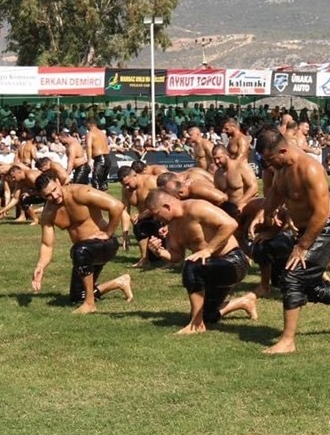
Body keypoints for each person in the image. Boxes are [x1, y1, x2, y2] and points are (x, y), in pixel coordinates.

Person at [255, 129, 330, 355]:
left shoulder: (310, 168)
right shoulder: (281, 169)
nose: (269, 165)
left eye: (270, 159)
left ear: (282, 150)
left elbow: (320, 214)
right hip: (304, 231)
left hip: (325, 231)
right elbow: (275, 197)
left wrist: (302, 246)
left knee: (292, 276)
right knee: (312, 286)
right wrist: (263, 218)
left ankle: (287, 341)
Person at [144, 188, 258, 334]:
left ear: (167, 206)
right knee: (208, 315)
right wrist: (159, 251)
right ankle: (244, 301)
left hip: (233, 262)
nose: (155, 219)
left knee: (191, 265)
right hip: (208, 269)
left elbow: (230, 224)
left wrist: (209, 250)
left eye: (156, 214)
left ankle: (196, 324)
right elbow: (176, 257)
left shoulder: (197, 208)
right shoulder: (172, 225)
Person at [31, 170, 133, 313]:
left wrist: (108, 233)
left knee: (78, 251)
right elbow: (47, 245)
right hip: (84, 254)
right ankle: (119, 282)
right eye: (48, 195)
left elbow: (116, 206)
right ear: (41, 196)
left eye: (54, 190)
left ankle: (90, 304)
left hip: (104, 244)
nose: (54, 196)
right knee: (77, 297)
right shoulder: (48, 214)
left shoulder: (80, 192)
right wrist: (40, 267)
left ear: (59, 182)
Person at [211, 143, 259, 219]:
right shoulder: (217, 174)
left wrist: (241, 202)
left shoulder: (240, 166)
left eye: (219, 158)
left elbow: (254, 187)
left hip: (245, 204)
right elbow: (219, 194)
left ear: (226, 155)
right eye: (214, 159)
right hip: (229, 209)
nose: (216, 161)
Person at [85, 118, 111, 191]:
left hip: (100, 159)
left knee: (96, 182)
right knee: (104, 182)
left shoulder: (90, 134)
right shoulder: (102, 133)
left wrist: (89, 160)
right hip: (107, 158)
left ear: (89, 124)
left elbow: (89, 147)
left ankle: (97, 201)